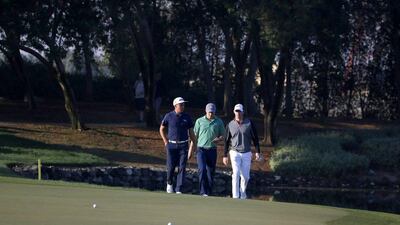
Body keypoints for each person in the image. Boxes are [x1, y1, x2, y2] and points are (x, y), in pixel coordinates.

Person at [223, 104, 262, 199]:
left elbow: (255, 138)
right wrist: (225, 155)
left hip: (246, 153)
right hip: (234, 152)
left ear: (243, 112)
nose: (238, 113)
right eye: (236, 111)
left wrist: (257, 151)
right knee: (235, 173)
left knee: (246, 177)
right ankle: (235, 197)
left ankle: (243, 193)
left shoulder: (249, 123)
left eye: (239, 111)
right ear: (234, 112)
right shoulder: (230, 124)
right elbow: (226, 140)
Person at [159, 97, 196, 194]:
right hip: (171, 145)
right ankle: (169, 183)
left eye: (183, 104)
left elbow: (191, 132)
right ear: (175, 105)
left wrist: (194, 143)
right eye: (181, 104)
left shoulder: (187, 117)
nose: (183, 106)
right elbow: (161, 129)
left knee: (182, 167)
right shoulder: (169, 116)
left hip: (183, 145)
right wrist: (165, 141)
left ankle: (179, 188)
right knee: (170, 166)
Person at [190, 103, 225, 196]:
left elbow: (223, 135)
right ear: (206, 111)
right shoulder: (199, 121)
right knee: (202, 169)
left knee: (210, 172)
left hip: (212, 150)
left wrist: (219, 139)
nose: (211, 114)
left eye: (212, 112)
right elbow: (194, 137)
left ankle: (208, 193)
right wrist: (190, 151)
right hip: (201, 149)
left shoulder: (219, 121)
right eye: (209, 112)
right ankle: (202, 192)